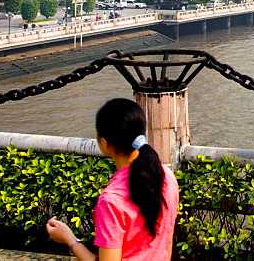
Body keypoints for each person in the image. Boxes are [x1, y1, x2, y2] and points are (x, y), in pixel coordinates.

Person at [46, 98, 179, 260]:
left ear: (104, 142)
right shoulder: (166, 176)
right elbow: (167, 243)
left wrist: (70, 239)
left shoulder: (111, 200)